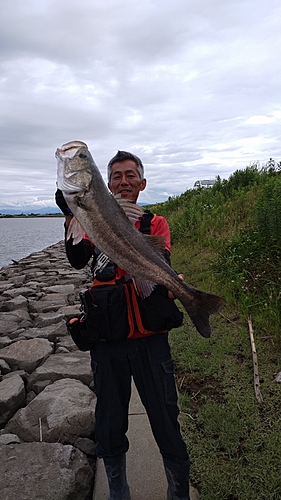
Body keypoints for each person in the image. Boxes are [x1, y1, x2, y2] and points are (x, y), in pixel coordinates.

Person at [55, 150, 190, 500]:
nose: (124, 181)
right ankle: (118, 490)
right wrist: (72, 213)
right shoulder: (91, 213)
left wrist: (172, 284)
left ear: (142, 183)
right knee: (110, 424)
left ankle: (178, 491)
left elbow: (162, 264)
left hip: (150, 341)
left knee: (165, 420)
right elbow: (77, 259)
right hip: (107, 341)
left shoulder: (154, 224)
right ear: (106, 183)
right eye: (116, 176)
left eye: (131, 175)